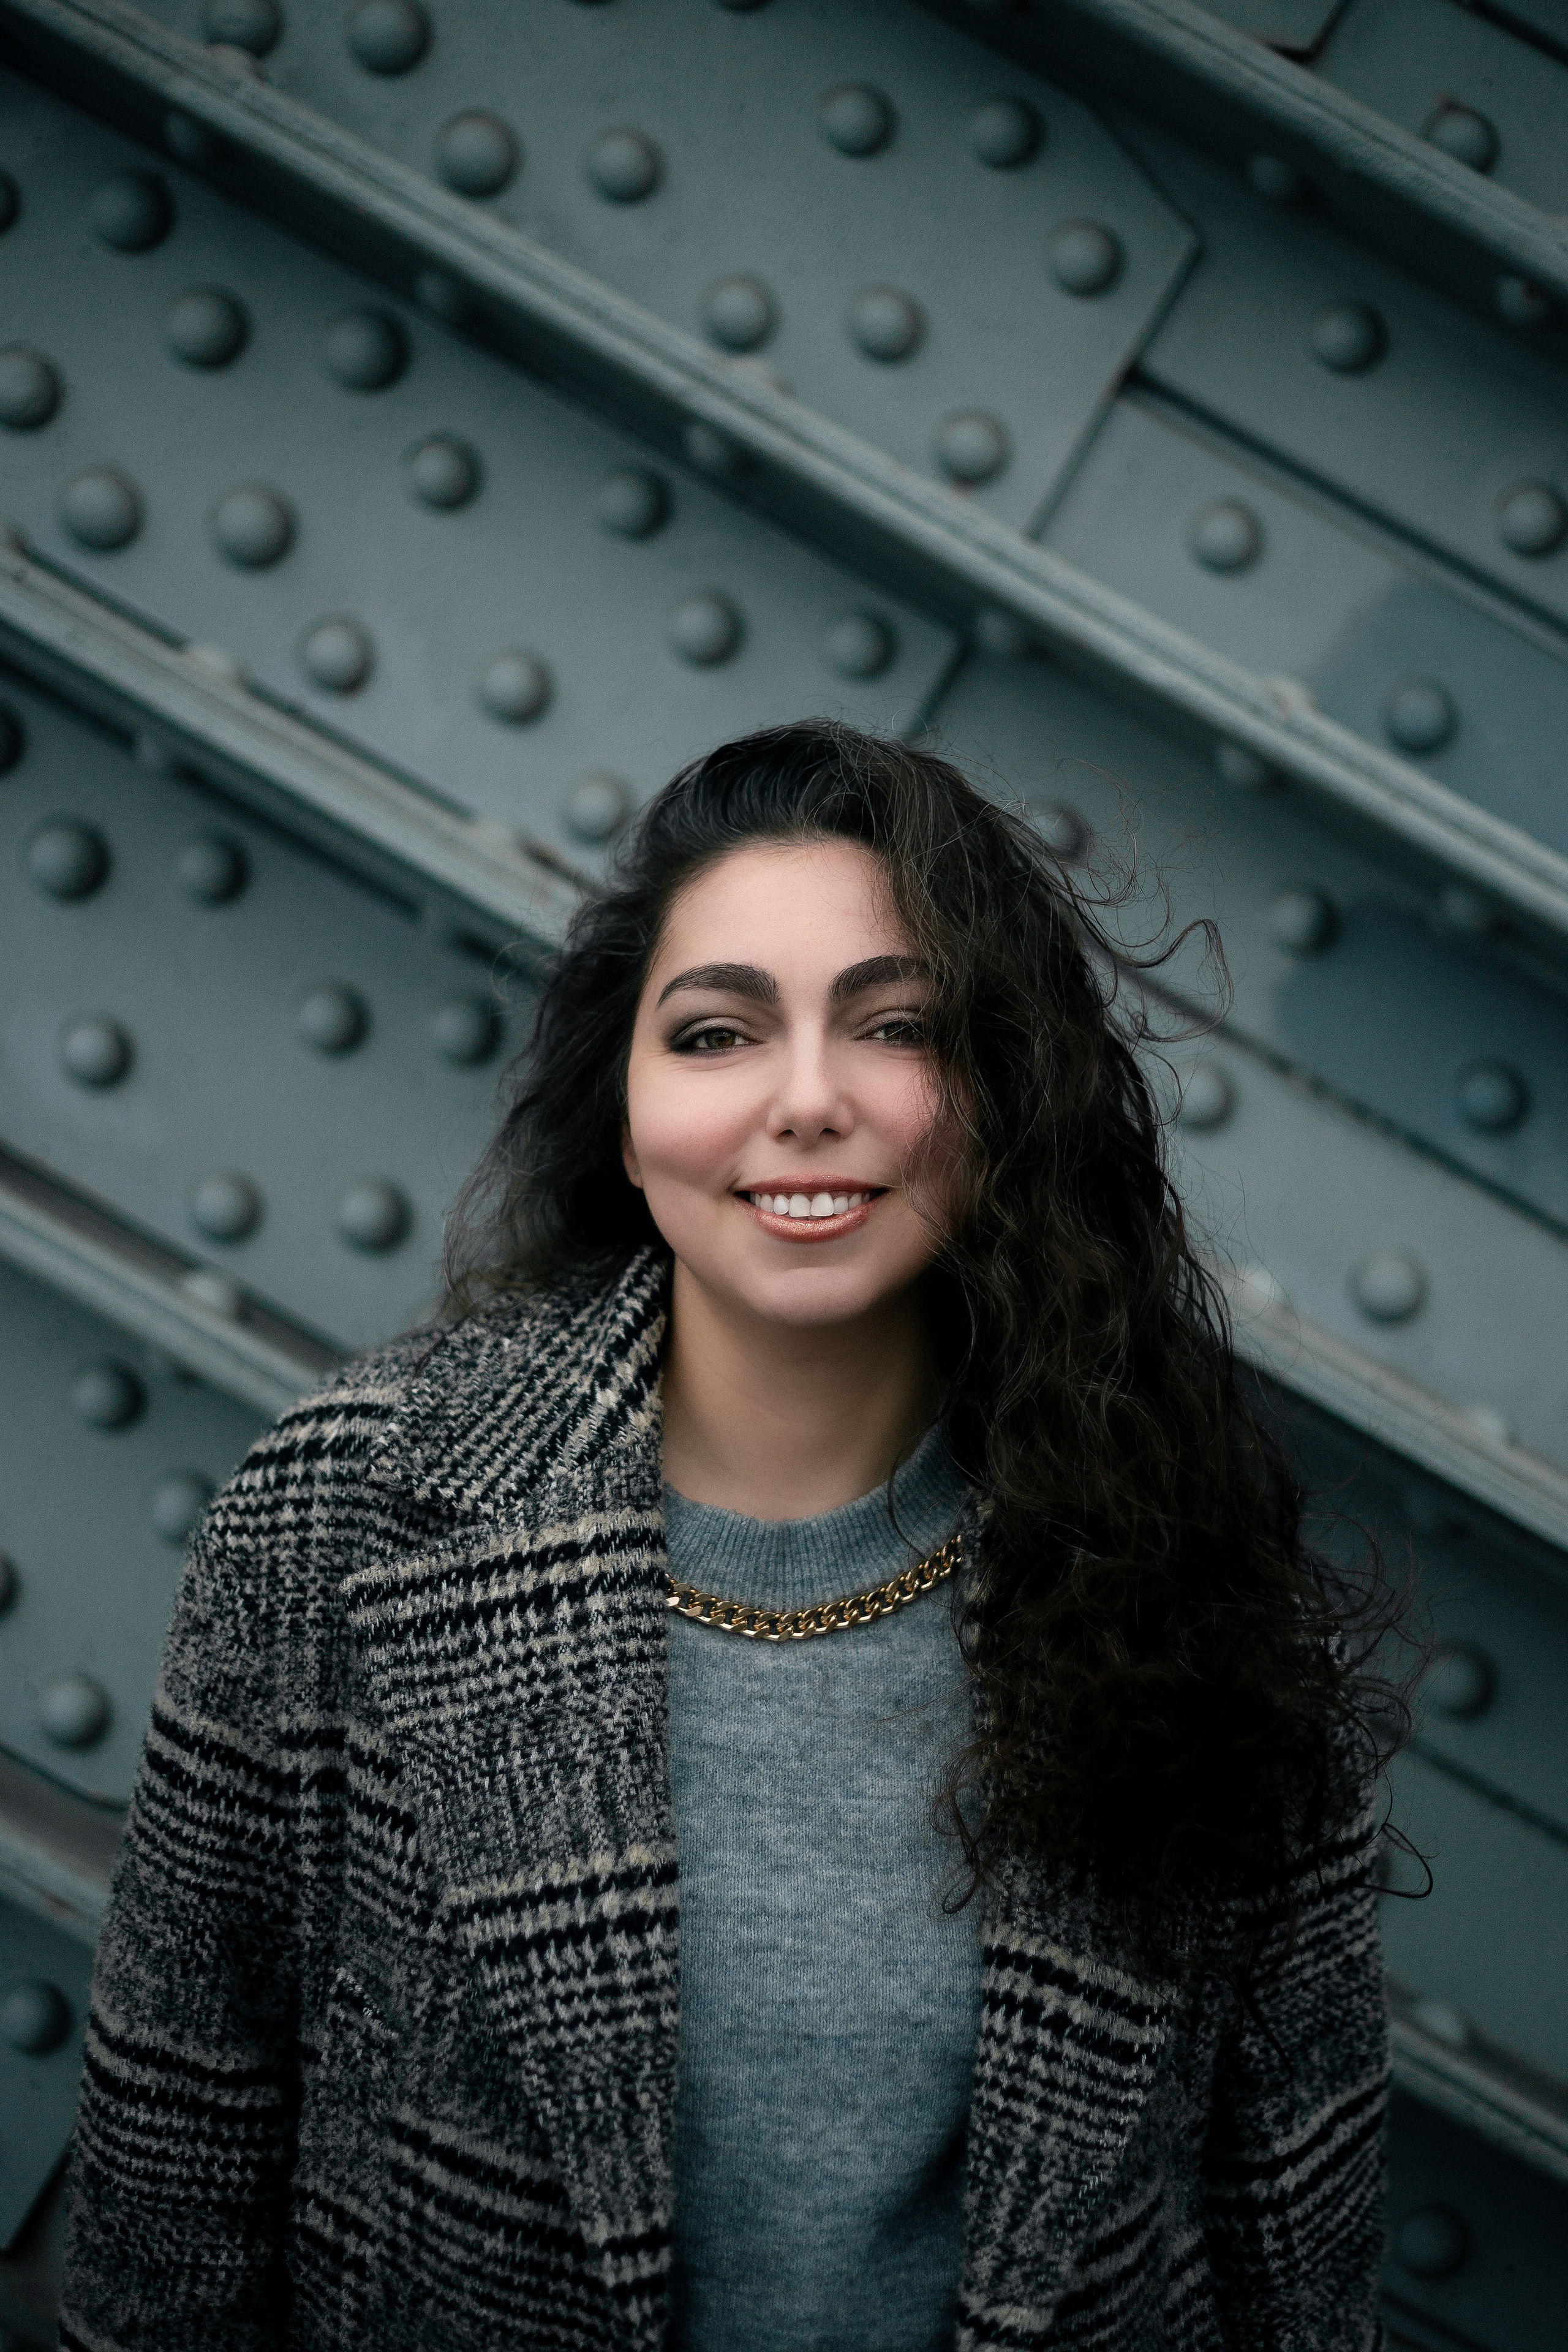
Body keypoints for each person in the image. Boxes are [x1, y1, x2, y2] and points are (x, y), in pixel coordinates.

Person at [58, 719, 1394, 2351]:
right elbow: (170, 2191)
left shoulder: (1196, 1572)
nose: (809, 1101)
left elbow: (1295, 2261)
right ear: (622, 1117)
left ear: (997, 1100)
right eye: (715, 1035)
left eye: (896, 1026)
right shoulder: (349, 1511)